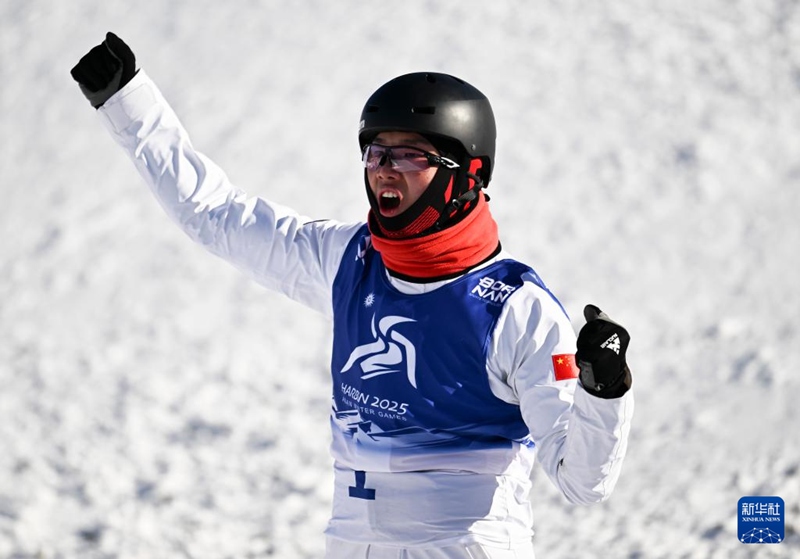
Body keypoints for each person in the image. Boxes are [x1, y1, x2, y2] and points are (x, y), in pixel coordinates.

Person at [71, 32, 634, 559]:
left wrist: (603, 391)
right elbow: (216, 214)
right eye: (376, 153)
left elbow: (581, 481)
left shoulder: (516, 309)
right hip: (354, 542)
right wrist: (128, 104)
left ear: (468, 174)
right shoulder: (349, 261)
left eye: (411, 156)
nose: (385, 171)